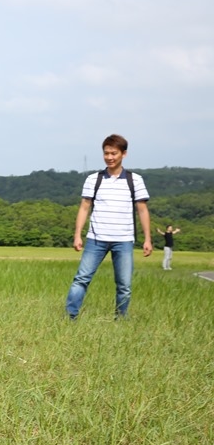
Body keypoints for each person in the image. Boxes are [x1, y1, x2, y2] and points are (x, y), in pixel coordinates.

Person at [65, 134, 152, 320]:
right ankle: (70, 317)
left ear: (124, 154)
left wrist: (147, 239)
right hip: (96, 238)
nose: (110, 157)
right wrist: (77, 235)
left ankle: (120, 319)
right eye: (106, 153)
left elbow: (142, 210)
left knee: (124, 285)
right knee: (81, 279)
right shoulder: (93, 179)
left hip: (124, 239)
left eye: (114, 153)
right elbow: (84, 207)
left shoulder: (134, 180)